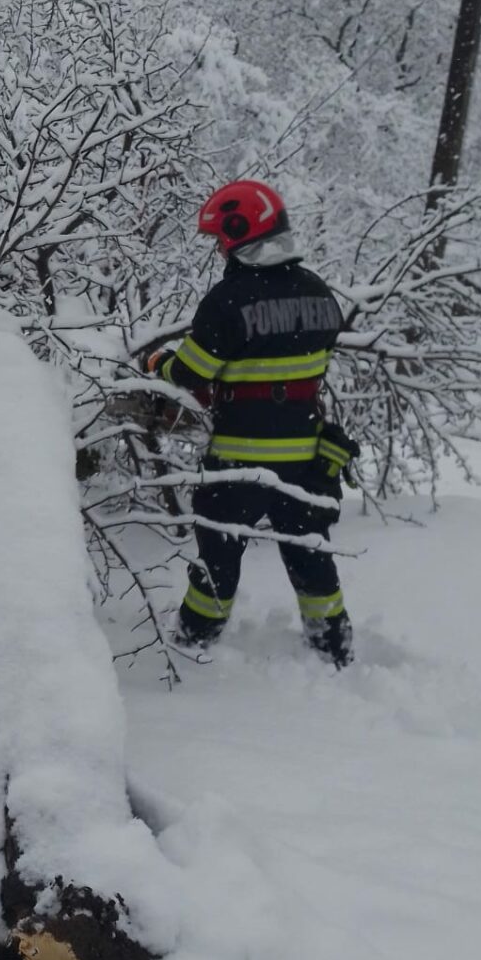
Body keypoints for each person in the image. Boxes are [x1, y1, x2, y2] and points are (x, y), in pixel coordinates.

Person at [143, 179, 358, 667]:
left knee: (218, 557)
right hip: (306, 457)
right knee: (309, 551)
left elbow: (192, 371)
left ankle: (196, 642)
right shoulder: (320, 293)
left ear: (241, 233)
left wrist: (159, 364)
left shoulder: (229, 299)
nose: (219, 247)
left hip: (240, 460)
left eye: (221, 237)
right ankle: (333, 647)